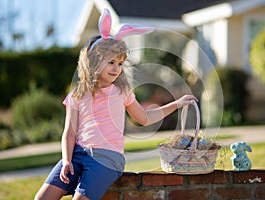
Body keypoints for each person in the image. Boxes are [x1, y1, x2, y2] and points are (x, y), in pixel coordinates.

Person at [35, 8, 198, 200]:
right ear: (94, 61)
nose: (116, 68)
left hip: (107, 159)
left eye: (120, 63)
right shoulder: (78, 94)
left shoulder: (122, 91)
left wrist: (177, 103)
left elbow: (145, 118)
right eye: (111, 62)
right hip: (77, 154)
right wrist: (67, 160)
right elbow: (69, 132)